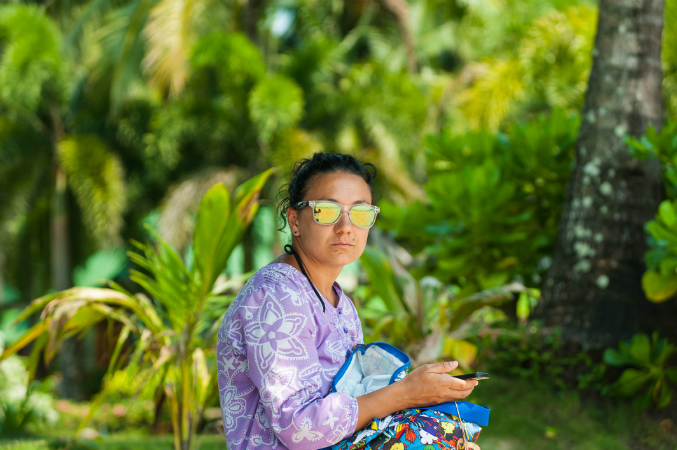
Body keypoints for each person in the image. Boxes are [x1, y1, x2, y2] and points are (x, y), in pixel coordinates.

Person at [217, 153, 479, 450]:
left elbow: (354, 402)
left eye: (361, 213)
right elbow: (299, 427)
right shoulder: (277, 297)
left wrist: (424, 397)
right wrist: (405, 394)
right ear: (294, 220)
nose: (345, 226)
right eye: (326, 211)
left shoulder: (338, 301)